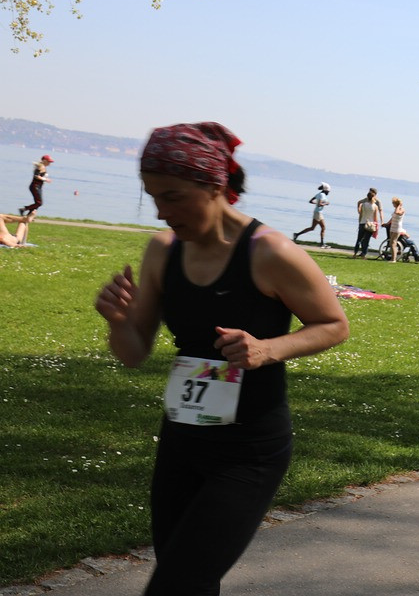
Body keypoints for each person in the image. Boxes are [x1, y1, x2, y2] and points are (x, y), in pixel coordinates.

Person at [94, 122, 349, 596]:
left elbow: (335, 324)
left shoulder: (269, 252)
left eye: (172, 197)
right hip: (182, 440)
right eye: (152, 197)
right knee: (189, 579)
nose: (161, 212)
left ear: (214, 186)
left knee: (175, 585)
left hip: (249, 450)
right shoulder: (163, 251)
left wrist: (267, 349)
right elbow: (133, 353)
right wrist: (116, 320)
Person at [293, 182, 331, 247]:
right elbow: (319, 204)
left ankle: (297, 234)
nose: (328, 193)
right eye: (328, 191)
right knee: (323, 227)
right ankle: (322, 244)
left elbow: (311, 201)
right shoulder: (322, 195)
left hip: (317, 212)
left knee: (312, 228)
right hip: (318, 213)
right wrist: (326, 204)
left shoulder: (319, 194)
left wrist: (317, 203)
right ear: (325, 190)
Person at [353, 187, 384, 258]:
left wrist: (360, 217)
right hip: (370, 224)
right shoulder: (375, 206)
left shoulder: (364, 204)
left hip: (362, 223)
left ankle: (354, 254)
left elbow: (361, 214)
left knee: (359, 239)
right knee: (366, 241)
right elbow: (376, 217)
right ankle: (363, 255)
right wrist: (377, 225)